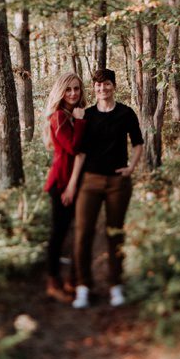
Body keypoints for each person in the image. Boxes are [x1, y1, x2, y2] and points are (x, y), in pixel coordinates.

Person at [63, 68, 143, 309]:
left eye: (107, 84)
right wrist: (73, 183)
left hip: (118, 183)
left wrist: (131, 167)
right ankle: (83, 287)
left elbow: (138, 143)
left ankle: (115, 285)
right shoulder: (86, 115)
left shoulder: (126, 113)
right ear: (94, 88)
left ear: (113, 86)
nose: (102, 88)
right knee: (83, 233)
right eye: (98, 85)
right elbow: (80, 153)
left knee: (114, 233)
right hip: (90, 181)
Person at [41, 72, 87, 303]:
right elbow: (73, 147)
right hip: (61, 182)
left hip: (77, 181)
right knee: (59, 232)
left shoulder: (75, 114)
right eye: (68, 89)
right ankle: (53, 281)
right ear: (61, 92)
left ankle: (72, 280)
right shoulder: (59, 116)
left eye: (76, 88)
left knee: (78, 232)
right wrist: (79, 122)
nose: (73, 93)